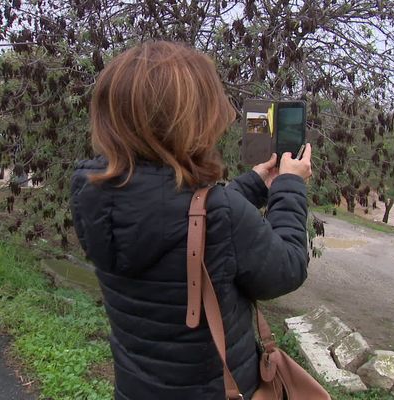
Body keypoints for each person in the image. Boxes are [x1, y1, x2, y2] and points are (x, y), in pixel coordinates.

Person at [69, 41, 312, 400]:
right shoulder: (219, 212)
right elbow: (288, 268)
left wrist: (258, 183)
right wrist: (290, 186)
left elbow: (188, 222)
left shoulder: (93, 195)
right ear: (190, 122)